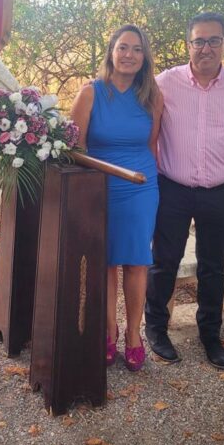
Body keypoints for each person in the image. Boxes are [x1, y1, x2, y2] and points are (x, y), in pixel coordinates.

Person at [145, 12, 224, 370]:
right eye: (199, 40)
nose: (205, 48)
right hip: (172, 189)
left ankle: (210, 334)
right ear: (188, 44)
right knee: (164, 262)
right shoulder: (165, 82)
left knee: (214, 267)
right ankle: (157, 329)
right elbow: (149, 133)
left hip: (221, 192)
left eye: (213, 40)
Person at [71, 24, 162, 372]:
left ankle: (134, 335)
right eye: (123, 47)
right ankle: (107, 331)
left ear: (144, 57)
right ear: (111, 52)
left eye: (137, 49)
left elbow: (151, 144)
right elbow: (76, 149)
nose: (129, 55)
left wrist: (150, 184)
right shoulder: (90, 93)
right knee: (106, 262)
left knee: (137, 261)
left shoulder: (153, 96)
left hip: (140, 186)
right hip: (100, 187)